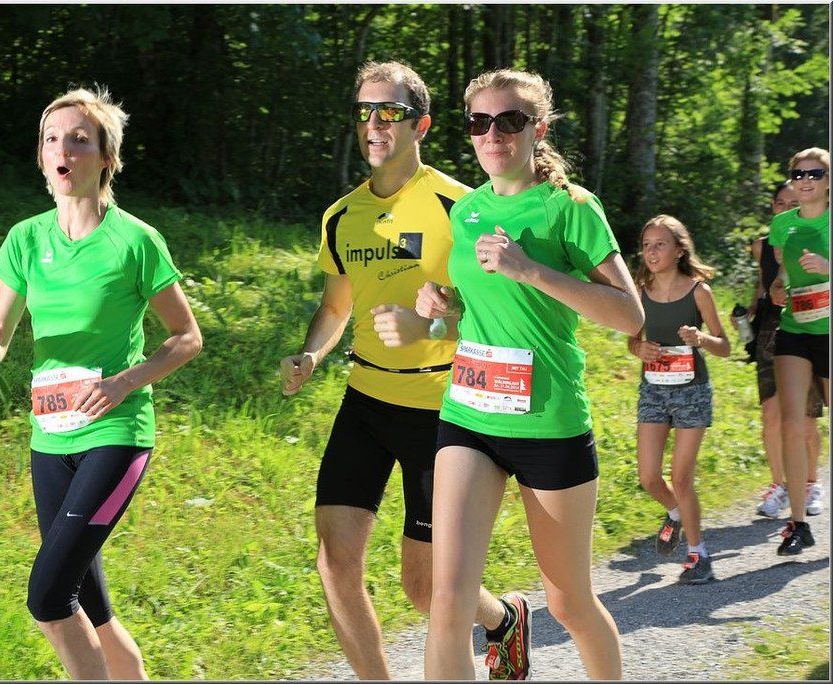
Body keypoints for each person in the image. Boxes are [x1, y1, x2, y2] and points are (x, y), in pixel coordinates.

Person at [279, 61, 525, 680]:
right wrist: (312, 354)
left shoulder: (461, 207)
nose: (375, 124)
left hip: (442, 410)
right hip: (365, 400)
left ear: (422, 125)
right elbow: (335, 306)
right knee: (335, 562)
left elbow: (500, 314)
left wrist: (433, 324)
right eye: (365, 112)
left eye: (389, 111)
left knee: (425, 587)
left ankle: (502, 619)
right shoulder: (341, 217)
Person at [0, 87, 202, 679]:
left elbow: (187, 337)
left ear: (106, 158)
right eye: (52, 139)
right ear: (41, 157)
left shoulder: (135, 241)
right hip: (49, 437)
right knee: (92, 609)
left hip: (115, 434)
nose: (62, 149)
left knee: (48, 597)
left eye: (78, 139)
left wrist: (124, 382)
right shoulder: (26, 239)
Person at [416, 69, 642, 680]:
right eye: (480, 122)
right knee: (448, 599)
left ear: (537, 129)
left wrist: (530, 269)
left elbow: (629, 315)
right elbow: (480, 307)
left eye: (510, 121)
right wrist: (441, 304)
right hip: (470, 414)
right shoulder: (467, 209)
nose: (493, 134)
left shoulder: (570, 207)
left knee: (569, 603)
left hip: (548, 423)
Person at [628, 215, 730, 584]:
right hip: (654, 389)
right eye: (647, 245)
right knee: (648, 477)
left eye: (660, 244)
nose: (651, 252)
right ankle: (674, 513)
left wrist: (701, 340)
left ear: (679, 250)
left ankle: (699, 555)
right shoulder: (639, 292)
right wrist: (640, 349)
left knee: (681, 477)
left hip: (692, 392)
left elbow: (724, 346)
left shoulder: (699, 292)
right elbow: (633, 341)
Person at [743, 182, 825, 519]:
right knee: (771, 415)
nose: (787, 208)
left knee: (804, 419)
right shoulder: (762, 246)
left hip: (810, 328)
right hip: (770, 331)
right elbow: (763, 284)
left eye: (794, 203)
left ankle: (810, 484)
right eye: (781, 203)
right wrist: (749, 313)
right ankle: (778, 486)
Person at [768, 147, 830, 555]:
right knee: (791, 424)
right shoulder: (781, 224)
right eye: (798, 174)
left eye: (815, 173)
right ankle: (798, 523)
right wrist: (778, 285)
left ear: (828, 181)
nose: (805, 180)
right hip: (795, 328)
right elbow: (784, 271)